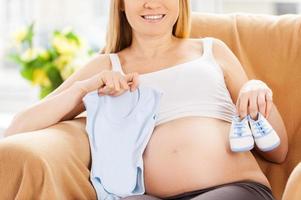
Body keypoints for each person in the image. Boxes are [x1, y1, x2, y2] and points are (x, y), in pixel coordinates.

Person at [2, 0, 288, 200]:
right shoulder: (106, 66)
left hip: (235, 188)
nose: (152, 3)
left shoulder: (211, 52)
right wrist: (82, 90)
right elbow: (17, 128)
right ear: (122, 3)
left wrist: (257, 91)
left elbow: (279, 153)